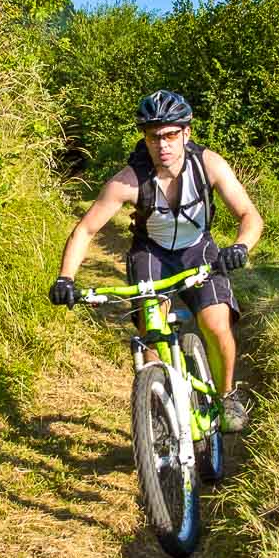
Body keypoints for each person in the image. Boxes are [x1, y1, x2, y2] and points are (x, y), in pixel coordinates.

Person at [48, 89, 264, 431]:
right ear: (145, 139)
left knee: (215, 323)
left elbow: (249, 215)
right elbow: (85, 230)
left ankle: (226, 396)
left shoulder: (209, 164)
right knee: (153, 333)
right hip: (151, 253)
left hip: (198, 250)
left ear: (186, 133)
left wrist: (241, 246)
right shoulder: (128, 180)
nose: (162, 145)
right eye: (153, 137)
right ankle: (158, 411)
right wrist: (65, 278)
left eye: (170, 135)